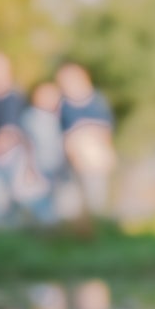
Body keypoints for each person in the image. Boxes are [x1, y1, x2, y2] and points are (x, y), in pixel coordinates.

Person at [56, 63, 116, 217]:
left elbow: (105, 130)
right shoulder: (63, 104)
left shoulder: (97, 100)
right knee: (72, 198)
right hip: (71, 158)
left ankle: (97, 224)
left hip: (94, 158)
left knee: (95, 197)